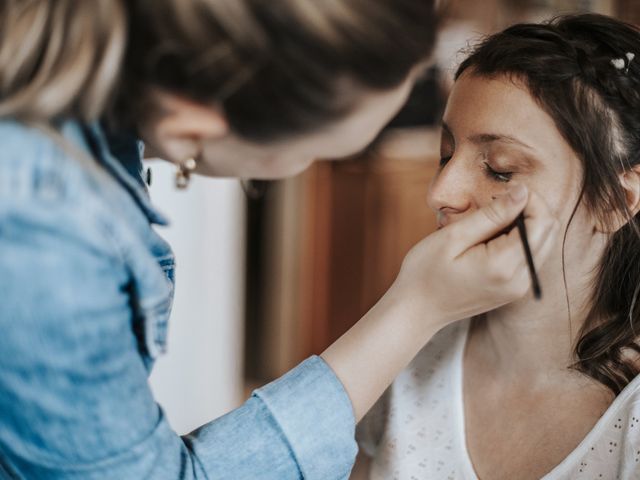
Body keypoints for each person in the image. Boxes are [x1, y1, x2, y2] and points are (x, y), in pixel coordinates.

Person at [0, 1, 558, 479]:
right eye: (313, 151)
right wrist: (414, 309)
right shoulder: (42, 242)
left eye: (502, 169)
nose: (441, 191)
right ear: (188, 128)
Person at [353, 13, 640, 480]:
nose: (440, 193)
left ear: (616, 200)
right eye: (446, 154)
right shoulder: (404, 354)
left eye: (500, 169)